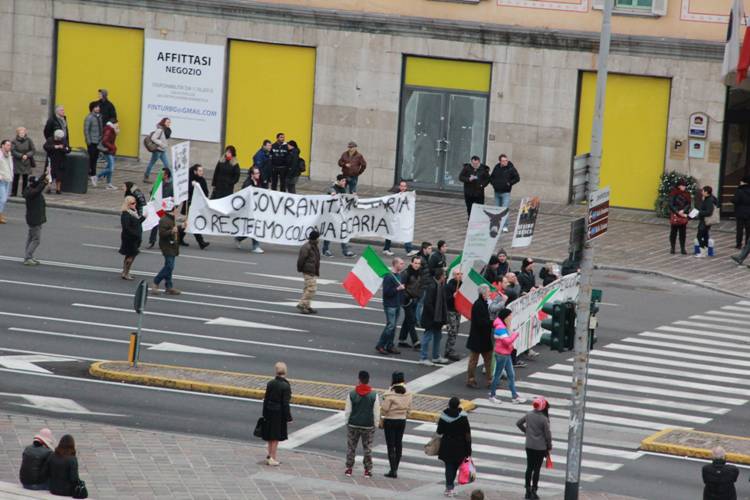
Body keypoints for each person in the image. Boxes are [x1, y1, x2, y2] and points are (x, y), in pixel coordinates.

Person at [344, 370, 380, 478]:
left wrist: (347, 422)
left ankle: (349, 468)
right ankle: (367, 470)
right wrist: (376, 424)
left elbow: (348, 411)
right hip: (368, 426)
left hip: (353, 425)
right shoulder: (374, 395)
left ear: (359, 380)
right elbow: (376, 411)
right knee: (367, 448)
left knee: (351, 447)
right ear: (368, 380)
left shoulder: (352, 394)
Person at [517, 397, 552, 499]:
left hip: (529, 446)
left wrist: (526, 432)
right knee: (537, 469)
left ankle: (527, 490)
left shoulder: (529, 414)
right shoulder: (544, 419)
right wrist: (549, 446)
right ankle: (534, 490)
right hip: (540, 448)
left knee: (529, 468)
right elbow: (548, 435)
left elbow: (518, 423)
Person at [489, 309, 526, 404]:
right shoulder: (500, 327)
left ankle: (514, 396)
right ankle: (492, 395)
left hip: (506, 353)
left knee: (511, 375)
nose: (511, 317)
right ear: (505, 317)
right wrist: (515, 334)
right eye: (510, 316)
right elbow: (507, 341)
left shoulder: (503, 326)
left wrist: (509, 328)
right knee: (497, 375)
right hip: (502, 354)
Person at [437, 397, 472, 497]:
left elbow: (439, 431)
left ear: (449, 404)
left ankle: (449, 487)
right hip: (460, 445)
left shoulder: (444, 416)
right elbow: (467, 434)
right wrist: (469, 449)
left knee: (448, 466)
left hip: (447, 444)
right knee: (455, 466)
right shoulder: (463, 417)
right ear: (458, 405)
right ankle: (450, 487)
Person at [380, 371, 412, 479]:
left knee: (391, 445)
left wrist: (382, 416)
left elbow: (384, 409)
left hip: (390, 421)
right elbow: (409, 408)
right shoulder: (408, 392)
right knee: (398, 444)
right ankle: (396, 468)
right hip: (402, 420)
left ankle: (393, 470)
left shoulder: (389, 393)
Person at [262, 361, 292, 466]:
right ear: (285, 371)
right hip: (278, 414)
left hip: (269, 411)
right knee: (275, 437)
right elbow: (285, 404)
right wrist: (288, 417)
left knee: (270, 436)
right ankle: (273, 458)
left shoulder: (270, 383)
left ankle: (269, 455)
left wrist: (264, 413)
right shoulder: (285, 386)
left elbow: (265, 399)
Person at [376, 257, 406, 355]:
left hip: (397, 304)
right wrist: (398, 289)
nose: (403, 265)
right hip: (390, 305)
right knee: (390, 326)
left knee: (393, 326)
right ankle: (380, 345)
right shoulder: (389, 277)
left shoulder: (398, 275)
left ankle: (390, 345)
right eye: (401, 263)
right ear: (395, 264)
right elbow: (386, 293)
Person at [151, 203, 182, 295]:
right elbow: (162, 234)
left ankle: (169, 286)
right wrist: (172, 231)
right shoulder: (164, 220)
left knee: (169, 266)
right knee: (169, 266)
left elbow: (175, 229)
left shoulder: (172, 219)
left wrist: (181, 227)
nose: (178, 211)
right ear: (173, 210)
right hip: (167, 246)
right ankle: (156, 282)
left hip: (172, 246)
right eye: (177, 209)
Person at [466, 284, 493, 389]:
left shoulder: (485, 304)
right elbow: (481, 322)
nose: (490, 293)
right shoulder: (478, 305)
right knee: (474, 360)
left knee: (488, 360)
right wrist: (492, 322)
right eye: (488, 292)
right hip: (478, 337)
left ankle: (490, 380)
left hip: (483, 337)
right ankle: (471, 379)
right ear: (483, 293)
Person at [420, 267, 449, 365]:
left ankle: (436, 356)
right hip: (431, 317)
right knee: (427, 337)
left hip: (437, 317)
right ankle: (423, 358)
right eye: (444, 275)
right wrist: (435, 315)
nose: (445, 277)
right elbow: (427, 303)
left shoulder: (440, 285)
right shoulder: (432, 286)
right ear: (440, 276)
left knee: (438, 336)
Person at [322, 175, 354, 257]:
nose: (344, 183)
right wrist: (333, 194)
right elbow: (330, 191)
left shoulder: (343, 189)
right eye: (343, 181)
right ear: (338, 181)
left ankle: (345, 251)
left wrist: (352, 196)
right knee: (329, 232)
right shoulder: (333, 188)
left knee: (343, 231)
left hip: (340, 215)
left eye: (345, 181)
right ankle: (325, 250)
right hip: (331, 215)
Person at [179, 164, 209, 249]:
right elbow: (186, 192)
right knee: (194, 222)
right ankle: (201, 242)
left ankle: (179, 237)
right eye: (199, 171)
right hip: (190, 205)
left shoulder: (202, 180)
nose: (201, 172)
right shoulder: (190, 180)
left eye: (202, 171)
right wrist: (193, 186)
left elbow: (206, 192)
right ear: (195, 171)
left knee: (189, 223)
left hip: (198, 205)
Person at [383, 180, 417, 256]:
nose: (403, 187)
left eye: (404, 186)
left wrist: (413, 198)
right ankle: (386, 248)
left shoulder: (408, 195)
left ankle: (409, 250)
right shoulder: (395, 195)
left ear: (406, 187)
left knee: (406, 231)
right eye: (401, 186)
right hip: (394, 217)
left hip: (403, 218)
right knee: (391, 232)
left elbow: (411, 204)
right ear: (399, 186)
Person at [236, 167, 264, 253]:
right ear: (252, 175)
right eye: (256, 173)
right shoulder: (247, 183)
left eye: (258, 173)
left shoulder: (258, 181)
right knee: (254, 227)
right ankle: (255, 246)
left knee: (251, 228)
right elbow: (245, 195)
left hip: (256, 209)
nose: (258, 174)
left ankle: (238, 238)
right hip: (248, 210)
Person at [489, 154, 520, 232]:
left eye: (506, 160)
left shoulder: (511, 168)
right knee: (497, 210)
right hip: (497, 192)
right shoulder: (496, 167)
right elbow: (491, 177)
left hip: (506, 192)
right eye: (503, 160)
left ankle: (505, 226)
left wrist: (509, 183)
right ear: (500, 161)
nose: (505, 162)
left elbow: (517, 178)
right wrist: (494, 184)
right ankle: (496, 225)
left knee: (504, 209)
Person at [22, 175, 49, 266]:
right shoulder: (32, 193)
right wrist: (44, 183)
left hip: (35, 218)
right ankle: (28, 257)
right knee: (36, 239)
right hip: (34, 219)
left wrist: (45, 174)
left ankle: (28, 255)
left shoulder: (29, 189)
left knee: (30, 237)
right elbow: (38, 189)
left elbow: (38, 183)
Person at [397, 256, 422, 348]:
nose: (417, 265)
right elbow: (401, 287)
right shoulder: (406, 273)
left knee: (407, 320)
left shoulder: (420, 273)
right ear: (411, 263)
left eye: (418, 263)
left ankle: (402, 340)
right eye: (415, 263)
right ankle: (416, 342)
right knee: (412, 320)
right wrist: (406, 298)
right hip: (407, 301)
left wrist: (419, 296)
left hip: (415, 299)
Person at [147, 168, 173, 248]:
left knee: (166, 225)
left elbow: (173, 197)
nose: (160, 175)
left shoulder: (171, 185)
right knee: (155, 223)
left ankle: (167, 241)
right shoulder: (159, 182)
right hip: (158, 206)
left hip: (166, 208)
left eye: (162, 174)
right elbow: (152, 193)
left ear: (166, 175)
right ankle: (152, 241)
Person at [296, 230, 320, 314]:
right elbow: (301, 259)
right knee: (312, 289)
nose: (319, 239)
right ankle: (302, 304)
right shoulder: (307, 247)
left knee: (308, 288)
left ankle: (307, 305)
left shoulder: (313, 245)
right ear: (315, 238)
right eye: (318, 238)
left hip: (312, 271)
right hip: (308, 271)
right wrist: (300, 269)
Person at [119, 195, 143, 280]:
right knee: (131, 256)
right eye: (132, 203)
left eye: (135, 202)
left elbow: (137, 223)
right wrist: (135, 234)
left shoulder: (133, 212)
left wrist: (143, 218)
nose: (135, 204)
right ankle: (126, 273)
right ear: (128, 204)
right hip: (130, 238)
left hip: (134, 238)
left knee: (130, 255)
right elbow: (126, 227)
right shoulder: (126, 214)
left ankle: (125, 272)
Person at [143, 117, 171, 183]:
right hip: (157, 150)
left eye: (169, 122)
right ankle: (146, 177)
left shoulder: (167, 130)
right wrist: (161, 143)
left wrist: (164, 145)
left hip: (162, 150)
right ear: (164, 122)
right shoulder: (160, 130)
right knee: (151, 163)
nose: (169, 123)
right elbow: (153, 138)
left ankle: (167, 178)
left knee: (167, 165)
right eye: (167, 122)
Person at [444, 267, 463, 362]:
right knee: (452, 330)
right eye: (458, 274)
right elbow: (446, 299)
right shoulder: (449, 286)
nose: (460, 276)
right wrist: (453, 296)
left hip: (458, 310)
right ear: (454, 275)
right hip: (451, 310)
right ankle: (448, 350)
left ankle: (450, 348)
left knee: (456, 329)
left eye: (461, 274)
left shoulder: (462, 285)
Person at [668, 179, 691, 255]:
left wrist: (683, 210)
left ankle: (682, 248)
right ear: (679, 186)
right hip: (675, 215)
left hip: (683, 215)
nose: (684, 187)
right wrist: (677, 212)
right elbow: (671, 204)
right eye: (683, 185)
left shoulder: (687, 193)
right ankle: (673, 248)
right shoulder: (673, 193)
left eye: (685, 186)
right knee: (673, 233)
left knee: (683, 233)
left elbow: (688, 204)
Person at [43, 129, 70, 195]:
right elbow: (45, 147)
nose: (59, 139)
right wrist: (55, 147)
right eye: (58, 138)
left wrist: (63, 148)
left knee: (59, 176)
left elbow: (68, 149)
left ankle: (58, 189)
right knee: (49, 174)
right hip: (51, 160)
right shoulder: (50, 140)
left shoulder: (63, 141)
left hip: (60, 161)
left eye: (60, 138)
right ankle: (48, 187)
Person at [11, 127, 36, 197]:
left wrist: (27, 155)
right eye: (20, 133)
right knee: (16, 177)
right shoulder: (14, 141)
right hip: (17, 161)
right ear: (18, 133)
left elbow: (33, 150)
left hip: (26, 161)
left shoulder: (29, 140)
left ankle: (24, 192)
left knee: (25, 178)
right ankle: (14, 192)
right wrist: (21, 155)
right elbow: (13, 150)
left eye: (23, 132)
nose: (22, 134)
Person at [83, 101, 103, 187]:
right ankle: (92, 175)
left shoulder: (100, 117)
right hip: (92, 142)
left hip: (98, 141)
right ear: (92, 108)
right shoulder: (89, 117)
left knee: (94, 159)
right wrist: (89, 141)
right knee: (91, 160)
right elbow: (86, 130)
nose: (98, 108)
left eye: (98, 107)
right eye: (96, 107)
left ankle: (91, 174)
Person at [696, 186, 719, 258]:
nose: (701, 192)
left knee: (699, 236)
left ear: (706, 192)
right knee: (705, 235)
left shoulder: (709, 200)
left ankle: (702, 252)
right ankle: (705, 251)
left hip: (705, 221)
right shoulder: (709, 198)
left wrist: (699, 212)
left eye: (703, 191)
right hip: (705, 221)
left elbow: (709, 212)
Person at [96, 119, 119, 190]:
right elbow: (104, 141)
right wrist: (112, 147)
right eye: (117, 124)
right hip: (108, 151)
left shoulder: (112, 129)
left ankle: (108, 184)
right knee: (111, 168)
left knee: (109, 167)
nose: (118, 125)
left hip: (110, 151)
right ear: (113, 123)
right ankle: (97, 177)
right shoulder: (109, 130)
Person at [732, 175, 750, 250]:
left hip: (740, 212)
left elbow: (735, 200)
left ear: (743, 182)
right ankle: (747, 245)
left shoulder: (739, 190)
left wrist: (732, 200)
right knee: (748, 230)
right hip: (749, 213)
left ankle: (738, 244)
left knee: (739, 229)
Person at [0, 139, 13, 224]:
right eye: (7, 145)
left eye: (10, 145)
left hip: (8, 179)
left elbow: (10, 166)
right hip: (1, 179)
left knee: (4, 198)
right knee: (3, 199)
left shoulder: (9, 154)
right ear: (2, 145)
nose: (9, 147)